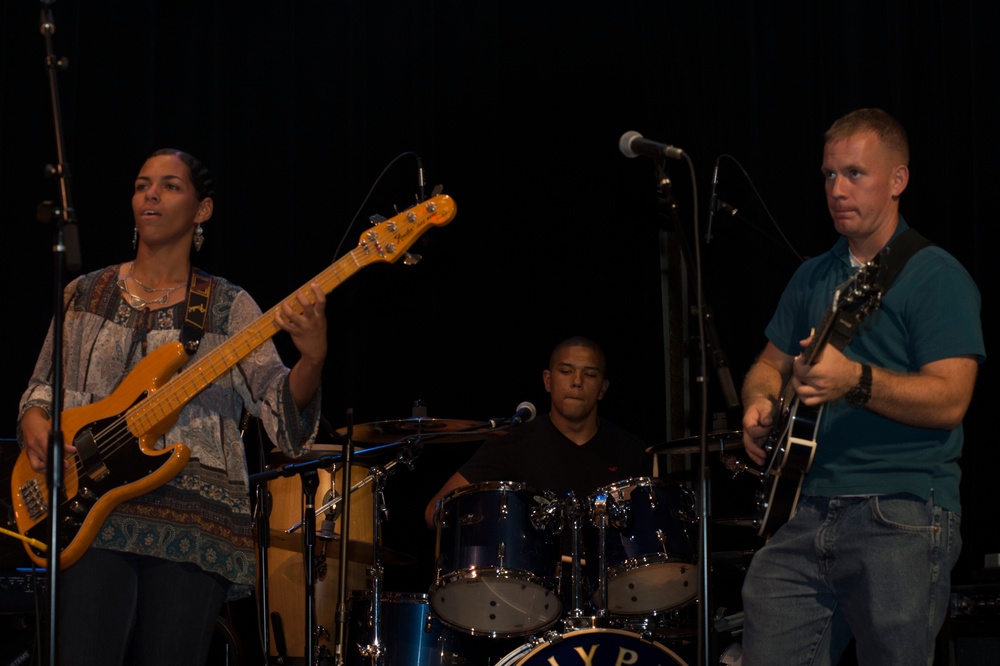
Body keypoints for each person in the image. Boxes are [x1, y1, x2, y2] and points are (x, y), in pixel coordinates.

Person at [17, 149, 328, 665]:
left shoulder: (230, 306)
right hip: (87, 513)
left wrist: (313, 357)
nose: (151, 195)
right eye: (142, 185)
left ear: (202, 210)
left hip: (194, 524)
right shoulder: (83, 294)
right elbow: (41, 388)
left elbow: (281, 409)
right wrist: (34, 423)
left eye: (169, 186)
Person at [739, 108, 985, 665]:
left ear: (897, 180)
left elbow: (950, 399)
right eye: (828, 175)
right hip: (803, 511)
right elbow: (768, 364)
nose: (837, 189)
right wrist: (757, 402)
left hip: (899, 513)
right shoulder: (812, 275)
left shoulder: (935, 276)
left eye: (855, 174)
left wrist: (855, 379)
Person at [423, 336, 652, 530]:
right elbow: (435, 510)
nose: (577, 382)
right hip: (528, 580)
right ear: (548, 380)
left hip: (608, 580)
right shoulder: (513, 441)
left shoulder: (630, 450)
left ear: (602, 388)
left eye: (590, 375)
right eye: (566, 371)